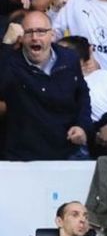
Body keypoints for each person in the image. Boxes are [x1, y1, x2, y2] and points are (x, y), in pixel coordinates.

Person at [0, 11, 92, 160]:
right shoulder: (11, 63)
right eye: (28, 32)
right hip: (24, 157)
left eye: (41, 31)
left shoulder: (69, 58)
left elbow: (82, 94)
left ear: (52, 35)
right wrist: (6, 45)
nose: (35, 37)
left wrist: (83, 126)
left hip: (67, 151)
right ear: (21, 37)